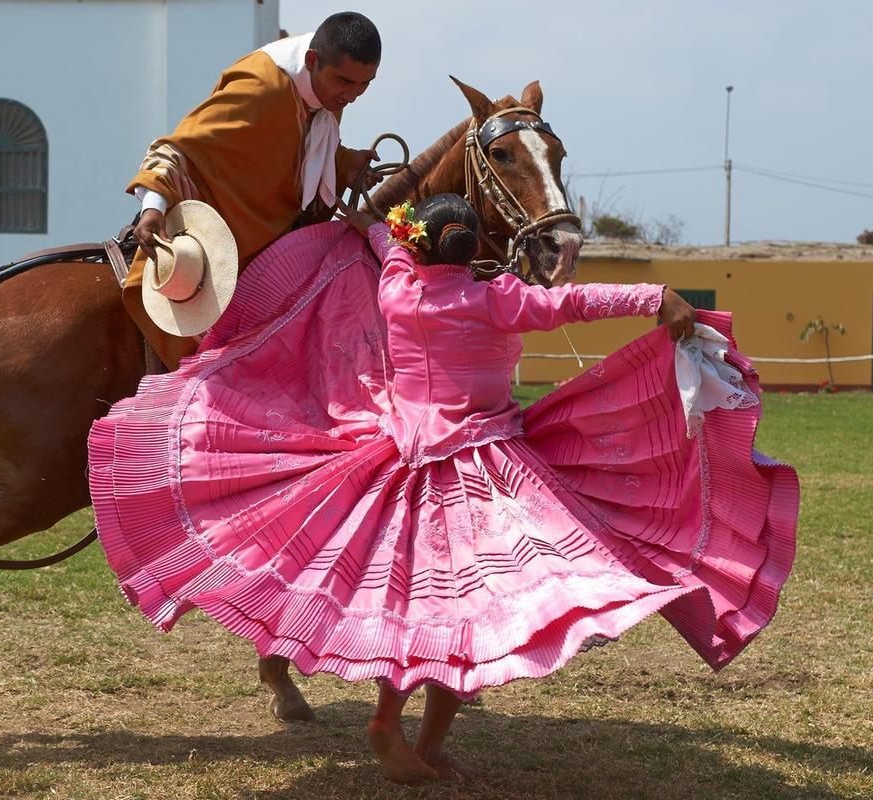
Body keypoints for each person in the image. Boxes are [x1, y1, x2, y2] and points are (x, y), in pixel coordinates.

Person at [86, 196, 798, 783]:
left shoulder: (397, 291)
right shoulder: (500, 301)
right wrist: (658, 296)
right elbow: (580, 302)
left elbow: (384, 241)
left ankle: (390, 725)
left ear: (420, 251)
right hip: (485, 465)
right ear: (470, 252)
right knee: (468, 614)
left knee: (412, 609)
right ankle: (418, 742)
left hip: (398, 456)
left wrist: (366, 220)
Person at [123, 12, 383, 370]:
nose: (353, 95)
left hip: (271, 250)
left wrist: (345, 163)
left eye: (364, 85)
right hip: (217, 258)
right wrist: (152, 208)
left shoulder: (327, 93)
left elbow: (295, 152)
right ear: (312, 61)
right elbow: (178, 149)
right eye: (345, 82)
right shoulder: (259, 88)